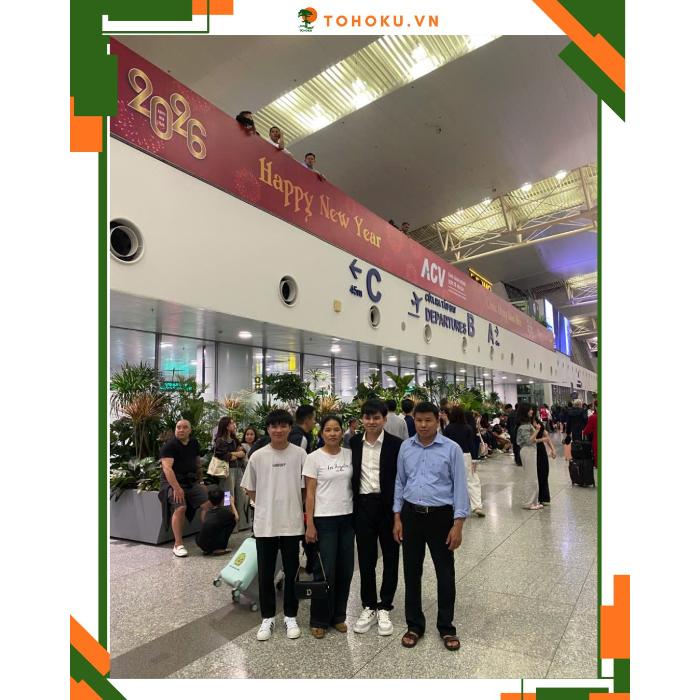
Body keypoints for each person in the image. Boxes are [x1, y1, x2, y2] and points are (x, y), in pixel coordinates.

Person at [393, 402, 468, 651]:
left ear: (438, 420)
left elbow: (460, 487)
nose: (423, 425)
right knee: (411, 572)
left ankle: (446, 626)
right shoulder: (406, 447)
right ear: (413, 420)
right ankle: (414, 624)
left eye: (428, 420)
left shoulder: (451, 449)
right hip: (411, 515)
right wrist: (397, 517)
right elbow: (400, 483)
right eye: (419, 420)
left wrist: (458, 524)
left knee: (445, 573)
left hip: (441, 517)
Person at [240, 409, 306, 642]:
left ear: (290, 428)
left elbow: (305, 488)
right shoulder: (258, 456)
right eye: (273, 426)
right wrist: (266, 505)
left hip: (292, 524)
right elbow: (249, 488)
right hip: (266, 524)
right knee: (266, 573)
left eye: (283, 425)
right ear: (268, 429)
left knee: (292, 572)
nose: (278, 430)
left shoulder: (300, 454)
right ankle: (267, 617)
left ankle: (290, 615)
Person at [349, 399, 403, 636]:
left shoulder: (396, 445)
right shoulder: (353, 443)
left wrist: (399, 514)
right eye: (367, 417)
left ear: (384, 419)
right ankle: (369, 605)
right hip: (363, 506)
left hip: (388, 507)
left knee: (391, 556)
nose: (371, 422)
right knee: (366, 558)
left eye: (376, 418)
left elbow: (401, 479)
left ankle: (385, 605)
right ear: (362, 419)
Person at [303, 416, 355, 638]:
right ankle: (319, 619)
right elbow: (310, 493)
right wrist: (310, 523)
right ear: (321, 433)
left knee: (346, 569)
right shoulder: (313, 458)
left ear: (342, 432)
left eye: (336, 429)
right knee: (325, 570)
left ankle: (339, 616)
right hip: (324, 520)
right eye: (328, 430)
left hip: (348, 518)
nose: (332, 433)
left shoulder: (350, 455)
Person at [158, 419, 210, 558]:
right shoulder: (169, 446)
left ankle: (207, 537)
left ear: (190, 430)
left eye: (184, 427)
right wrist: (176, 488)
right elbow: (167, 469)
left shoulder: (194, 443)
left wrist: (201, 481)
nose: (181, 430)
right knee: (180, 508)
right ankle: (178, 544)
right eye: (178, 427)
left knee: (207, 505)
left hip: (191, 482)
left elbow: (197, 463)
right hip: (171, 483)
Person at [444, 405, 484, 517]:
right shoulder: (468, 428)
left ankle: (452, 506)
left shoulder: (448, 428)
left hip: (450, 456)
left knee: (451, 481)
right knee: (472, 480)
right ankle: (477, 506)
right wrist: (474, 460)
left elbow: (445, 445)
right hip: (465, 455)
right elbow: (472, 445)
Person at [212, 417, 247, 529]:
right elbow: (226, 457)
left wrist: (232, 453)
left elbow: (243, 453)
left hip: (238, 470)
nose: (234, 425)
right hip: (226, 471)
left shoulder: (234, 439)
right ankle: (230, 525)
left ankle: (242, 523)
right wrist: (236, 453)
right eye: (232, 423)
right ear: (227, 426)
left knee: (241, 495)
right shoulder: (219, 441)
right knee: (227, 497)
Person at [515, 404, 543, 510]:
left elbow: (532, 440)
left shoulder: (526, 424)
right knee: (530, 477)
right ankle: (528, 503)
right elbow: (528, 441)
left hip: (530, 450)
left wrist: (542, 439)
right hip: (528, 451)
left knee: (533, 477)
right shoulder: (524, 426)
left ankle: (534, 501)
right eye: (530, 410)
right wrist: (537, 430)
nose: (532, 411)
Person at [195, 486, 237, 555]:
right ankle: (218, 549)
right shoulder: (225, 512)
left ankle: (208, 549)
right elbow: (237, 518)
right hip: (214, 544)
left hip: (200, 543)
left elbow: (204, 522)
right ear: (223, 500)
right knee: (232, 521)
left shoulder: (207, 512)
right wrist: (232, 503)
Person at [533, 417, 556, 506]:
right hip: (532, 450)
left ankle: (543, 497)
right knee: (536, 474)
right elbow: (529, 440)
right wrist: (542, 439)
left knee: (544, 472)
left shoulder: (538, 422)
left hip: (541, 449)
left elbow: (546, 435)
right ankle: (535, 497)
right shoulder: (526, 423)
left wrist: (553, 449)